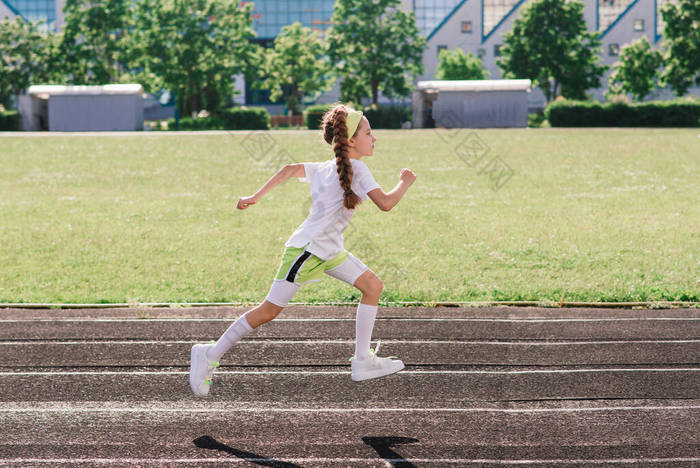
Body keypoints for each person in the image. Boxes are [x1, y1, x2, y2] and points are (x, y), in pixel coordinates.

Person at [189, 104, 417, 397]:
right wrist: (405, 182)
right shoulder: (356, 168)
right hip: (307, 251)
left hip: (328, 250)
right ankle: (209, 354)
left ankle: (362, 361)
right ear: (350, 140)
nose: (375, 138)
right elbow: (385, 203)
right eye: (369, 133)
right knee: (268, 311)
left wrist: (255, 196)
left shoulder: (327, 167)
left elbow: (287, 170)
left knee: (372, 286)